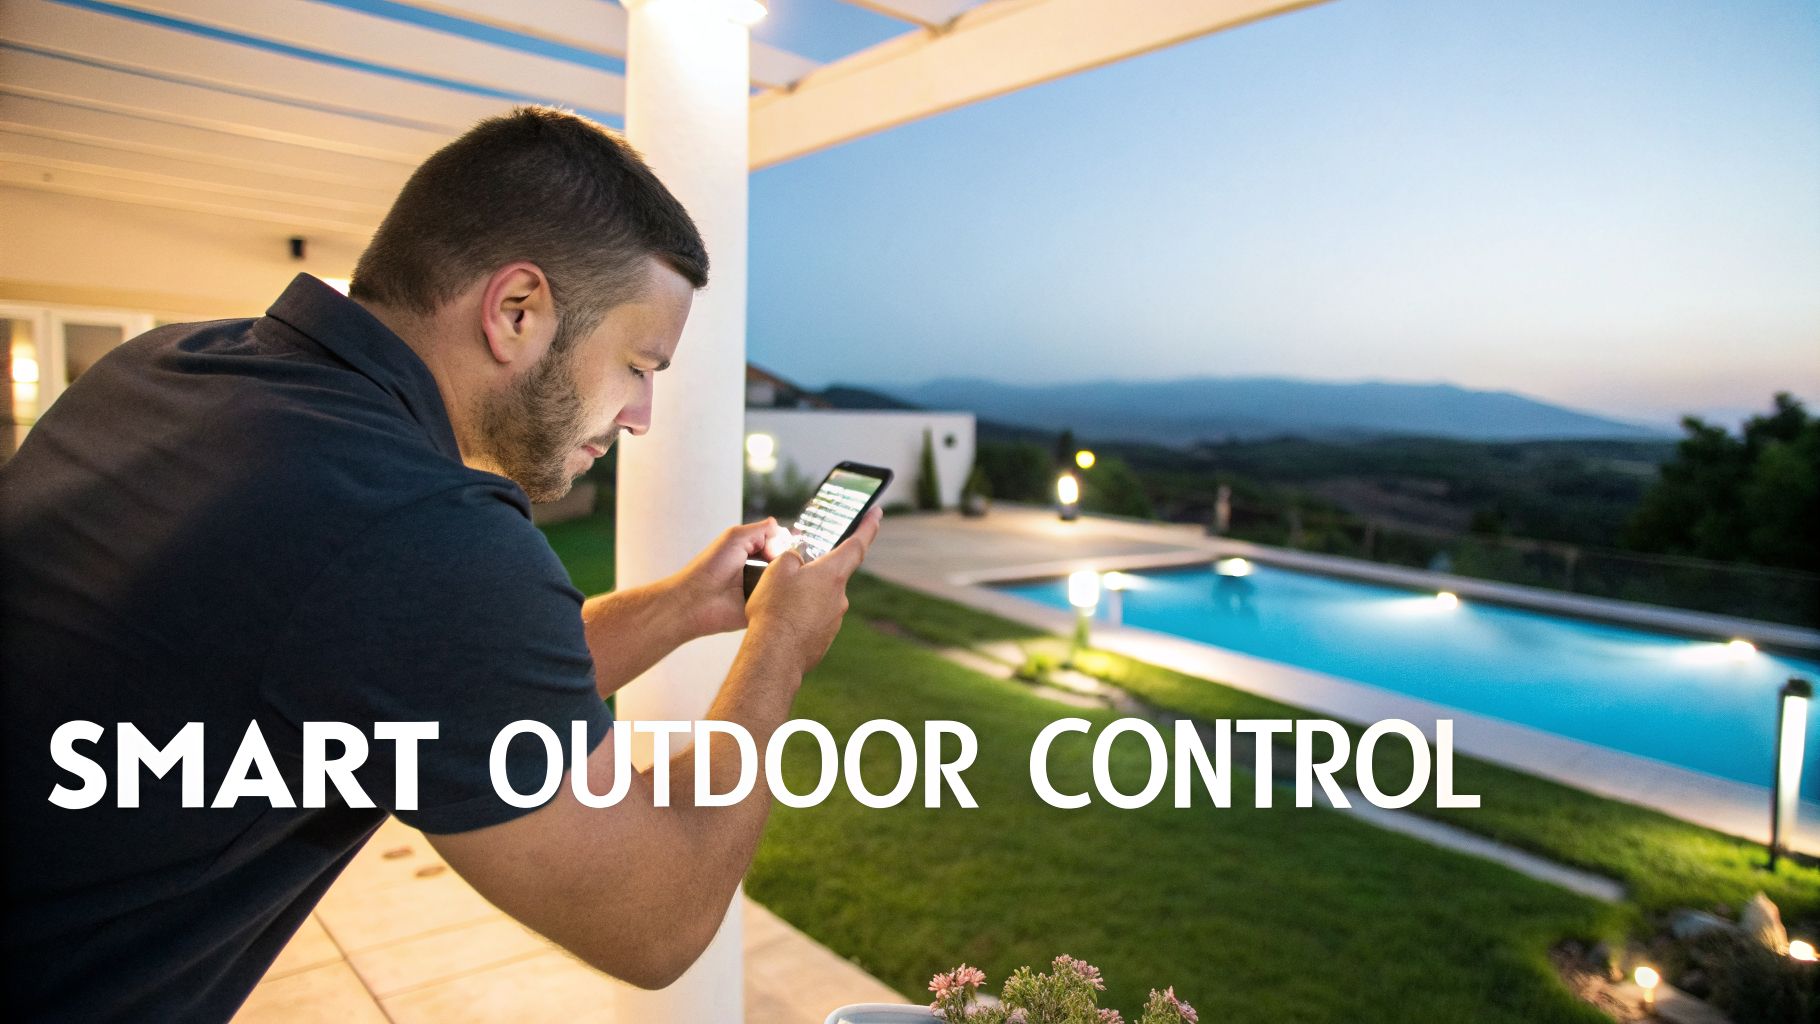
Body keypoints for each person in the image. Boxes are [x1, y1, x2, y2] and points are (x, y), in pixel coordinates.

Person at [0, 106, 878, 1020]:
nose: (641, 415)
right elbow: (654, 917)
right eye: (639, 365)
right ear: (517, 311)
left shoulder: (170, 366)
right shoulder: (417, 523)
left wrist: (689, 607)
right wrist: (782, 645)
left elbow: (436, 681)